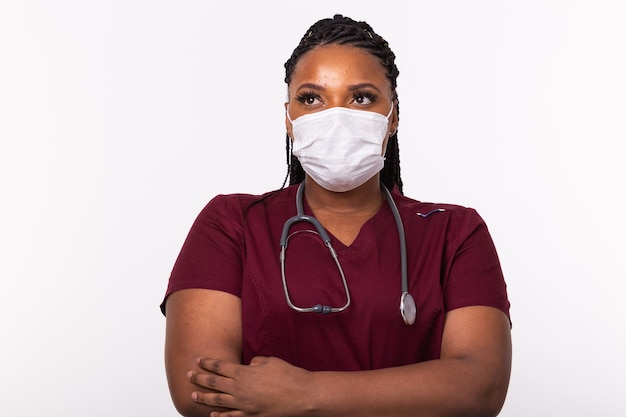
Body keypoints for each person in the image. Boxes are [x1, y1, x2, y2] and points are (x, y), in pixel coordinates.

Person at [161, 14, 512, 417]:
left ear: (393, 116)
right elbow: (201, 393)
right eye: (312, 98)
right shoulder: (230, 224)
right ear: (289, 119)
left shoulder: (456, 232)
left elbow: (479, 388)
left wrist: (304, 393)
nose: (337, 117)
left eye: (361, 97)